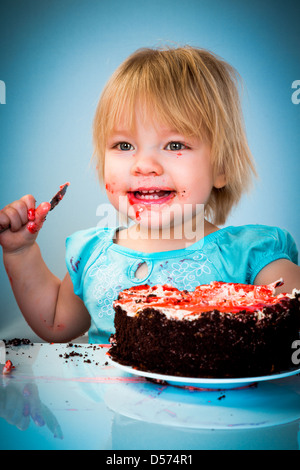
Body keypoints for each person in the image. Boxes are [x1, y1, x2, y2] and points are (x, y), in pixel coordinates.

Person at [1, 46, 300, 344]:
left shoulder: (247, 257)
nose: (144, 166)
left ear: (220, 168)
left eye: (174, 145)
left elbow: (291, 309)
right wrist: (20, 253)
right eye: (124, 146)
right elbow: (55, 323)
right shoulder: (94, 255)